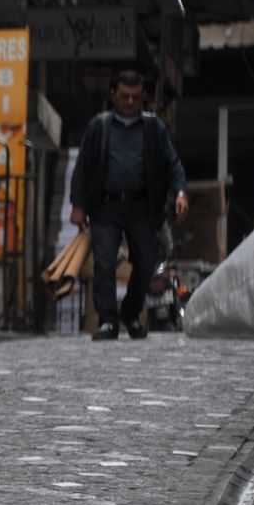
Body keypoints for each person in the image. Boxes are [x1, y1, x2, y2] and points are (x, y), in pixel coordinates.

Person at [67, 70, 188, 341]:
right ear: (113, 95)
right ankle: (108, 321)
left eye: (135, 97)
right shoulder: (99, 126)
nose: (130, 102)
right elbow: (82, 168)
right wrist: (78, 205)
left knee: (146, 264)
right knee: (105, 262)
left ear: (142, 97)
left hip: (141, 207)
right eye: (124, 96)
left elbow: (173, 165)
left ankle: (131, 313)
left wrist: (181, 193)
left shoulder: (154, 128)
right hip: (106, 206)